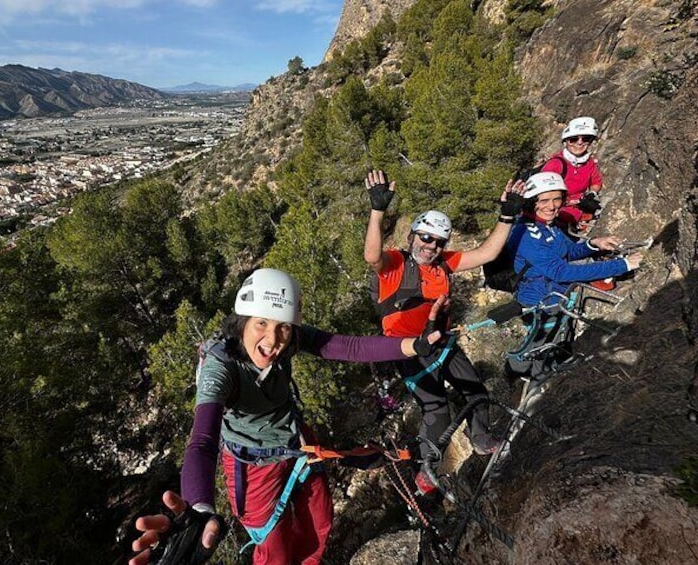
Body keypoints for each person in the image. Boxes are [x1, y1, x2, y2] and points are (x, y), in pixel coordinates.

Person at [129, 268, 444, 565]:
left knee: (320, 522)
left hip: (298, 444)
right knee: (274, 552)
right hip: (252, 469)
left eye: (283, 326)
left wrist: (413, 345)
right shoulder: (221, 366)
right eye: (261, 323)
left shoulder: (288, 338)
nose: (273, 339)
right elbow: (202, 441)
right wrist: (198, 508)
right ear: (243, 321)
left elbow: (348, 347)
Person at [363, 169, 526, 495]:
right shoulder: (396, 264)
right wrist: (377, 210)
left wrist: (507, 217)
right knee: (436, 410)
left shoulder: (444, 264)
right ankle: (425, 472)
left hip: (442, 341)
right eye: (425, 238)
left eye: (438, 242)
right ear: (412, 237)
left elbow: (487, 254)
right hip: (406, 349)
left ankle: (481, 440)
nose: (431, 246)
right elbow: (372, 256)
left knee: (476, 392)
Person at [503, 172, 643, 380]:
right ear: (532, 202)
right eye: (544, 200)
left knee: (559, 337)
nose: (551, 206)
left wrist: (593, 244)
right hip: (540, 298)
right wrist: (621, 265)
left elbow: (567, 252)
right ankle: (525, 371)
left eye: (556, 199)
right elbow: (561, 271)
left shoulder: (548, 226)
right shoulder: (525, 233)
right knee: (543, 343)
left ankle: (554, 364)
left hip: (554, 292)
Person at [541, 116, 604, 233]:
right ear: (566, 141)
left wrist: (591, 194)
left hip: (579, 215)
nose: (579, 143)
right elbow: (544, 196)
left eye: (585, 139)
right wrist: (573, 203)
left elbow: (596, 182)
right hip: (557, 216)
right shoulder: (555, 164)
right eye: (574, 139)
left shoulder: (590, 163)